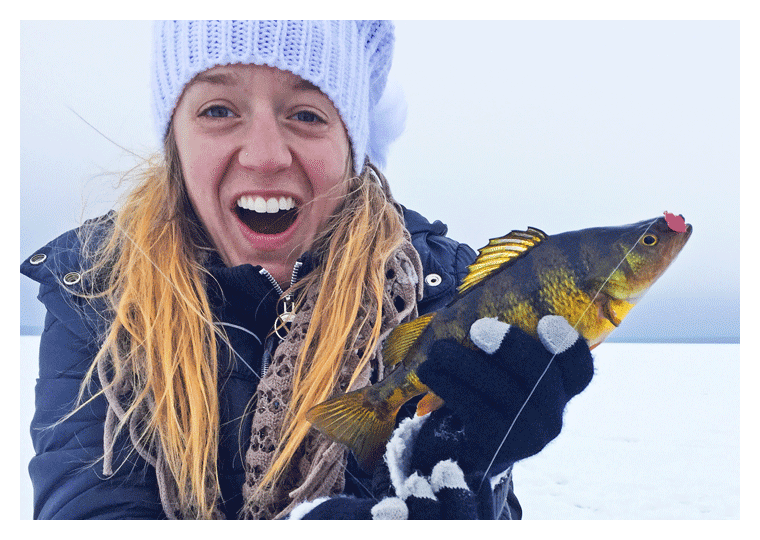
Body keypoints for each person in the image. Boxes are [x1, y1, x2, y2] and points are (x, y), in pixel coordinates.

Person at [20, 20, 594, 520]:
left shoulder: (444, 293)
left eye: (307, 113)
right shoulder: (95, 291)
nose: (265, 154)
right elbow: (88, 506)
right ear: (175, 138)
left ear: (352, 145)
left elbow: (477, 506)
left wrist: (479, 475)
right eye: (218, 110)